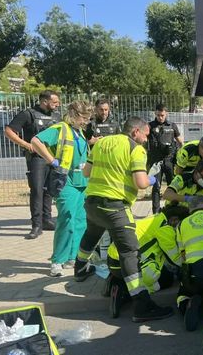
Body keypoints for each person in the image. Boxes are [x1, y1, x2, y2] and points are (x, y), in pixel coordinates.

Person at [73, 116, 174, 323]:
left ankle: (80, 269)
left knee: (92, 234)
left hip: (92, 204)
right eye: (145, 134)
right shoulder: (135, 149)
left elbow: (86, 172)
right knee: (129, 253)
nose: (146, 139)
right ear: (135, 131)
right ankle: (141, 305)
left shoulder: (101, 143)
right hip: (115, 208)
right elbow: (141, 183)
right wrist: (153, 177)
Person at [30, 101, 92, 277]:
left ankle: (73, 257)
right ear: (73, 114)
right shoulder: (61, 128)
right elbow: (35, 141)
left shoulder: (79, 131)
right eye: (83, 118)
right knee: (66, 220)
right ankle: (57, 260)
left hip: (82, 183)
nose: (85, 122)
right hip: (66, 182)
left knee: (80, 222)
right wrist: (51, 160)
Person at [107, 204, 188, 318]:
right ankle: (125, 291)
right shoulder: (165, 228)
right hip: (124, 265)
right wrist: (189, 266)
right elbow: (175, 259)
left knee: (163, 271)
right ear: (174, 220)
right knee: (166, 279)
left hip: (113, 261)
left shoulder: (155, 218)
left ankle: (117, 280)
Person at [4, 90, 61, 239]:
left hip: (53, 157)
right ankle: (36, 225)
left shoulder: (56, 116)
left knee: (49, 189)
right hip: (36, 158)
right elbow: (9, 131)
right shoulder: (28, 114)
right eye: (54, 102)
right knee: (37, 190)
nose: (57, 105)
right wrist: (26, 145)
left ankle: (47, 220)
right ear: (44, 101)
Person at [147, 103, 184, 214]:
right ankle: (156, 213)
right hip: (155, 162)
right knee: (156, 188)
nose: (160, 117)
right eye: (158, 115)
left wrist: (182, 155)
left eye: (162, 115)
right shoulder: (150, 126)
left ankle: (173, 210)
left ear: (166, 114)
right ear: (155, 113)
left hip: (169, 160)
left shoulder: (172, 126)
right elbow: (142, 140)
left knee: (172, 187)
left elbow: (180, 141)